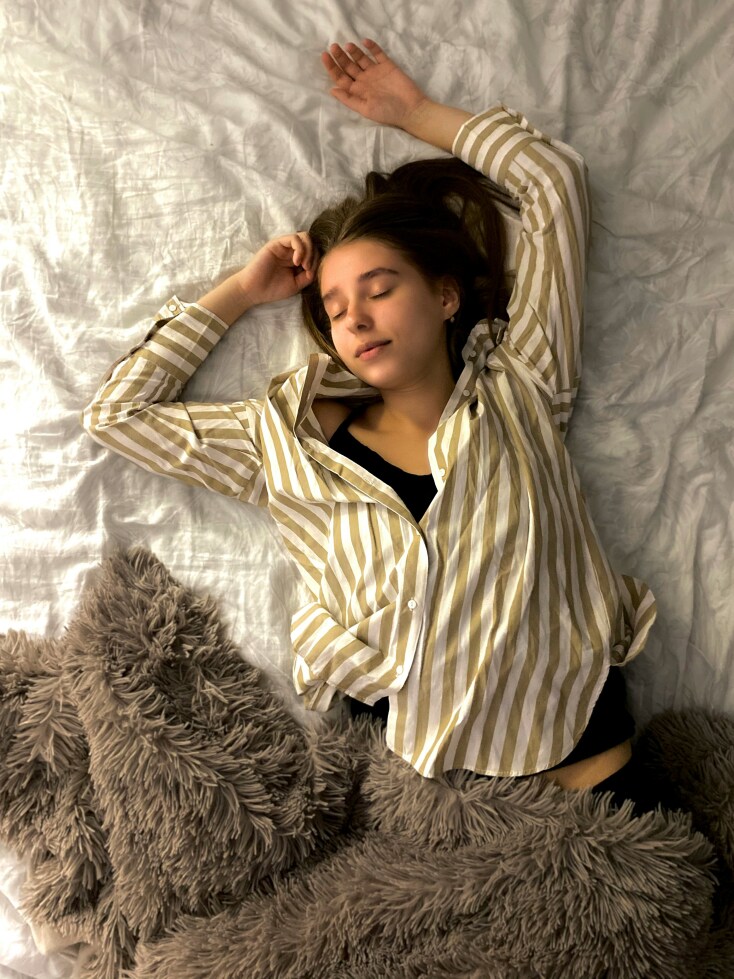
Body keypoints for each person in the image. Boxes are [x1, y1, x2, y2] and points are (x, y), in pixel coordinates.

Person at [81, 40, 659, 813]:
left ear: (446, 297)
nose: (354, 317)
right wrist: (241, 292)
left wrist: (415, 112)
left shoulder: (524, 383)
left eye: (379, 290)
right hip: (424, 802)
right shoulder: (283, 442)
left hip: (589, 773)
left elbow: (554, 183)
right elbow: (119, 415)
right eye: (333, 308)